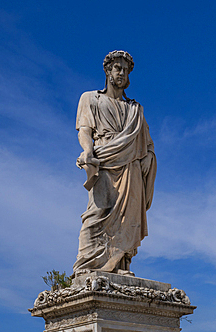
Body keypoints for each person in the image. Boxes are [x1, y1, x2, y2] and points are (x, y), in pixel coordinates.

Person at [73, 50, 156, 275]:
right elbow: (85, 129)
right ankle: (87, 267)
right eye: (117, 68)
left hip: (131, 167)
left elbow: (148, 143)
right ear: (108, 71)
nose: (121, 73)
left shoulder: (135, 110)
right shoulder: (90, 98)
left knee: (127, 218)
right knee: (96, 215)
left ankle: (118, 264)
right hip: (105, 161)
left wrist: (148, 156)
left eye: (125, 70)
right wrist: (88, 151)